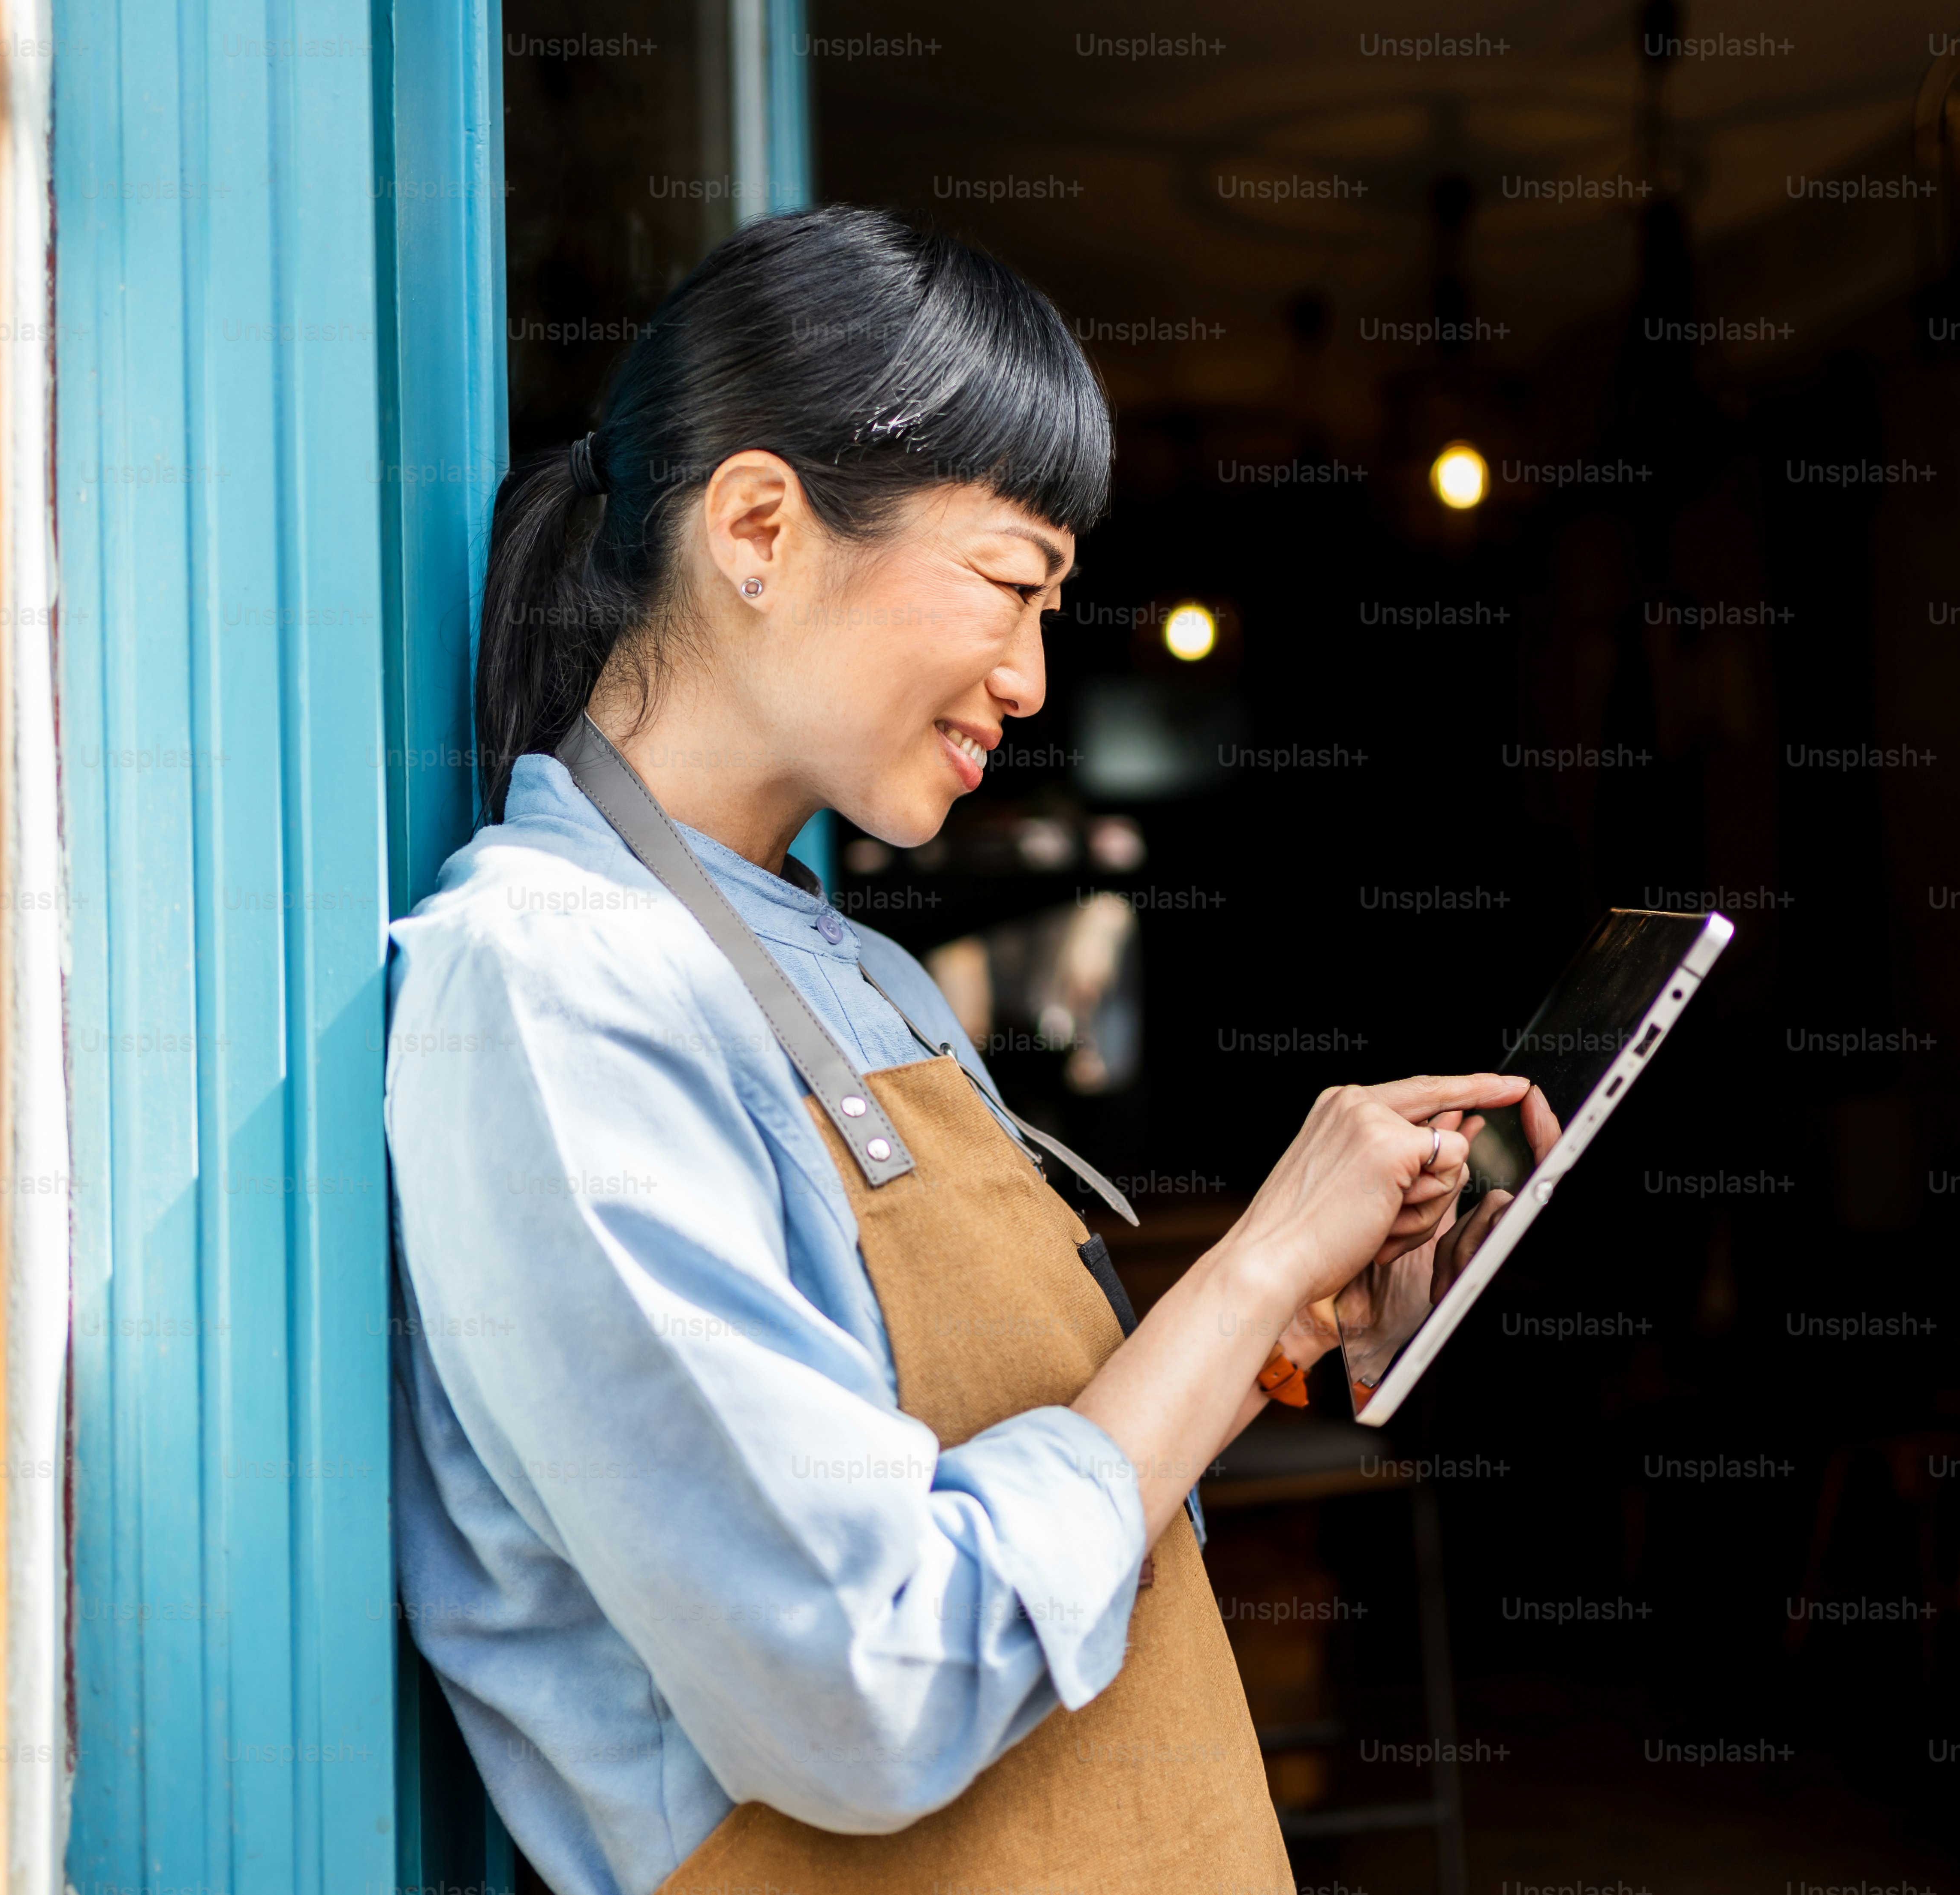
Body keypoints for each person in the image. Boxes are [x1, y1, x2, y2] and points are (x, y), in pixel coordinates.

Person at [385, 204, 1555, 1895]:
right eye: (1010, 586)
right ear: (763, 527)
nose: (1027, 677)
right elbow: (873, 1681)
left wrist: (1294, 1307)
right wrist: (1237, 1279)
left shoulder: (871, 979)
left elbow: (1072, 1501)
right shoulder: (554, 987)